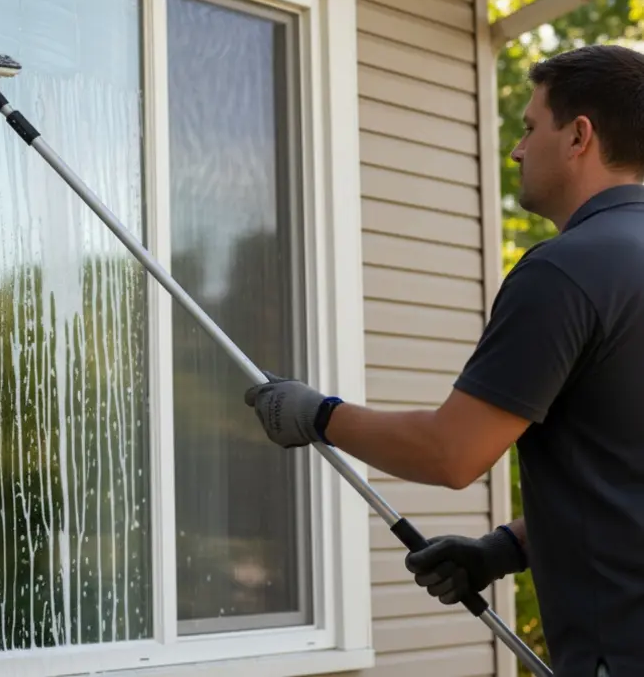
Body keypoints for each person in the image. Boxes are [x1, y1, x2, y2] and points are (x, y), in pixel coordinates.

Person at [242, 43, 644, 677]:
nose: (516, 149)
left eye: (530, 126)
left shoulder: (567, 271)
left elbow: (450, 453)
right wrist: (502, 549)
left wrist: (316, 414)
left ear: (579, 136)